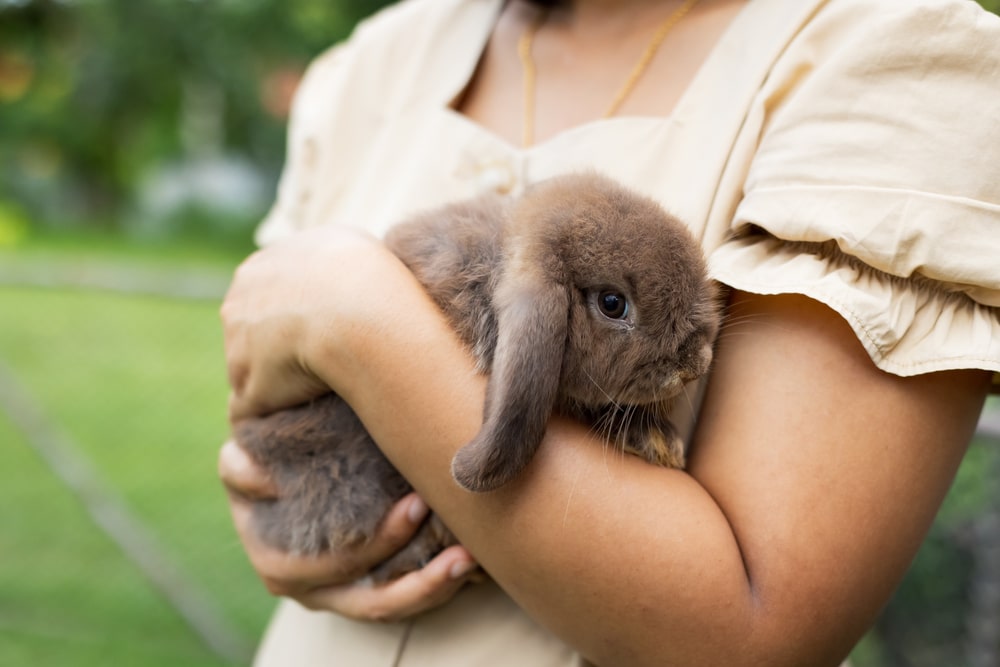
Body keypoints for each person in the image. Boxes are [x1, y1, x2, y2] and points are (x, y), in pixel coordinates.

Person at [218, 0, 1000, 664]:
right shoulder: (377, 62)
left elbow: (753, 632)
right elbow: (262, 409)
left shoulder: (889, 59)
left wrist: (355, 312)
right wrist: (275, 507)